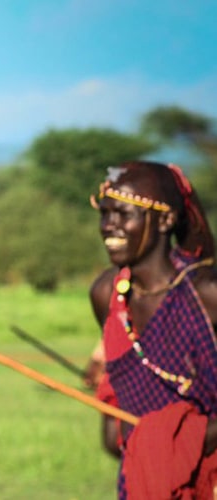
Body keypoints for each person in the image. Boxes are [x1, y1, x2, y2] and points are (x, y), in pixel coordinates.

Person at [88, 161, 217, 498]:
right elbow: (115, 427)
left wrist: (186, 437)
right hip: (144, 481)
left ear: (165, 219)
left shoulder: (206, 294)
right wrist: (145, 441)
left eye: (123, 214)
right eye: (105, 214)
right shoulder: (107, 296)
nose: (108, 227)